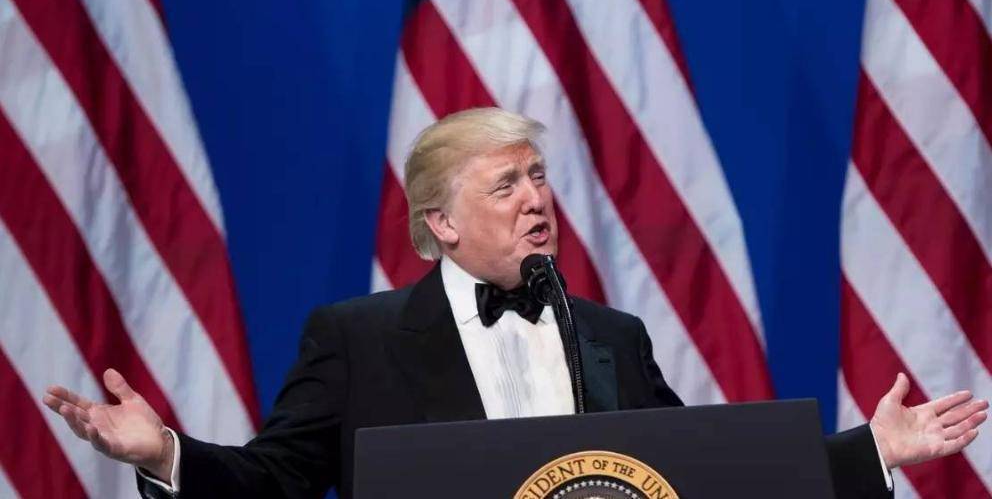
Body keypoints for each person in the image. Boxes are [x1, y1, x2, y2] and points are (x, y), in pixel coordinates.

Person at [44, 108, 988, 498]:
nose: (537, 199)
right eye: (505, 185)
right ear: (441, 223)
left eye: (539, 177)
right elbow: (276, 480)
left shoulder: (613, 334)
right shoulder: (359, 337)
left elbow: (703, 472)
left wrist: (872, 450)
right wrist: (164, 453)